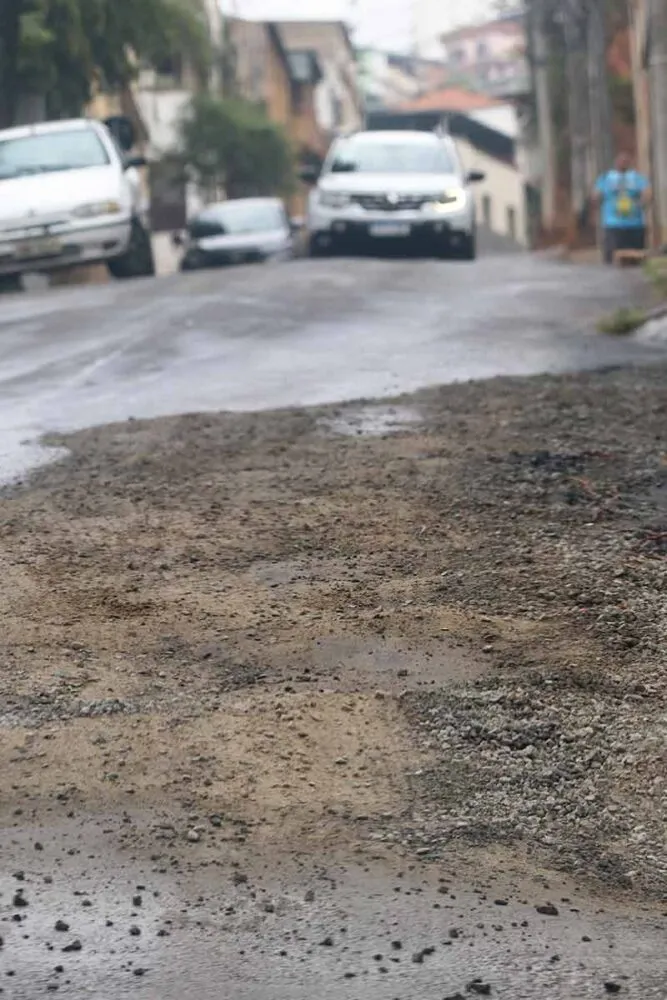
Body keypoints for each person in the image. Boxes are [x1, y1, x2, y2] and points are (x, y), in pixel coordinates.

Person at [594, 152, 651, 264]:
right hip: (626, 224)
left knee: (616, 259)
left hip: (620, 225)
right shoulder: (636, 178)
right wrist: (642, 204)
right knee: (633, 258)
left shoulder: (607, 178)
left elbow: (596, 196)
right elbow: (647, 194)